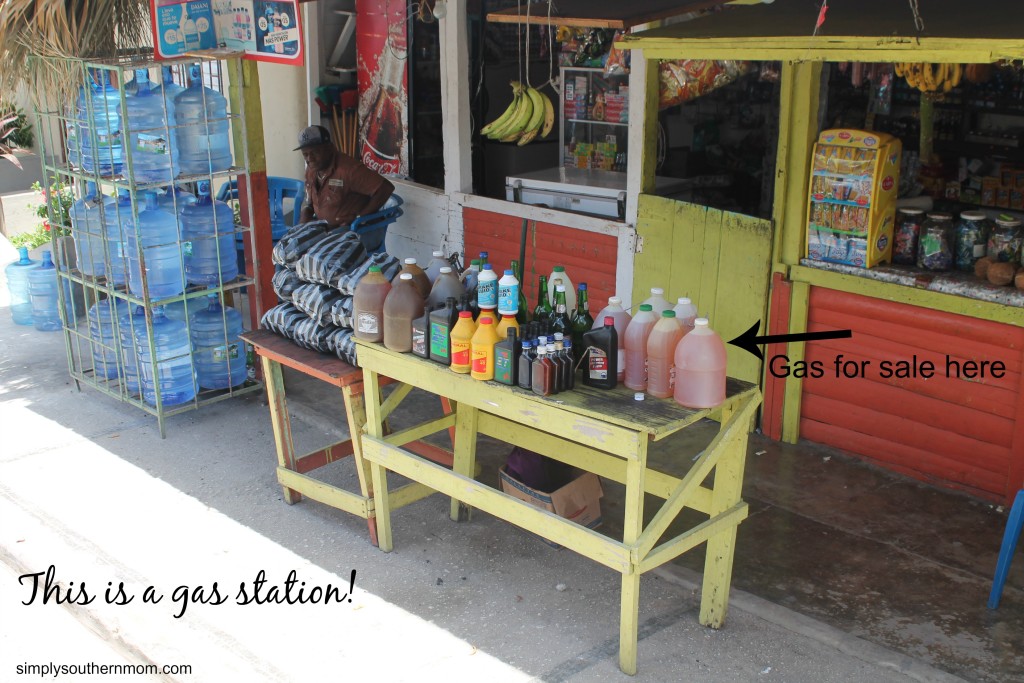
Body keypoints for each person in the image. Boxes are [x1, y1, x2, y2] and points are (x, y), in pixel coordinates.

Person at [295, 125, 394, 228]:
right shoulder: (312, 170)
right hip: (325, 230)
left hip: (354, 233)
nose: (310, 159)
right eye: (305, 154)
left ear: (329, 148)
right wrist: (306, 212)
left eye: (315, 152)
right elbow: (310, 202)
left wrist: (359, 218)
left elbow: (385, 188)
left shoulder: (349, 170)